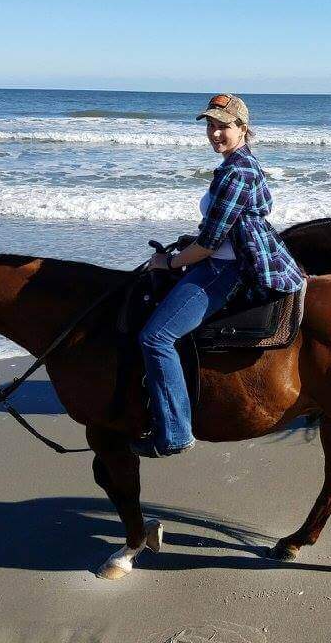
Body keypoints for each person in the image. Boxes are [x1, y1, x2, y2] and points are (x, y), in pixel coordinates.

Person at [135, 94, 305, 458]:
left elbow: (211, 245)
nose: (215, 133)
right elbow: (215, 229)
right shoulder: (234, 165)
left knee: (156, 337)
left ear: (243, 128)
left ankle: (175, 432)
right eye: (211, 126)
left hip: (225, 269)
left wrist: (170, 262)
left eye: (223, 126)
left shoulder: (238, 172)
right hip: (223, 257)